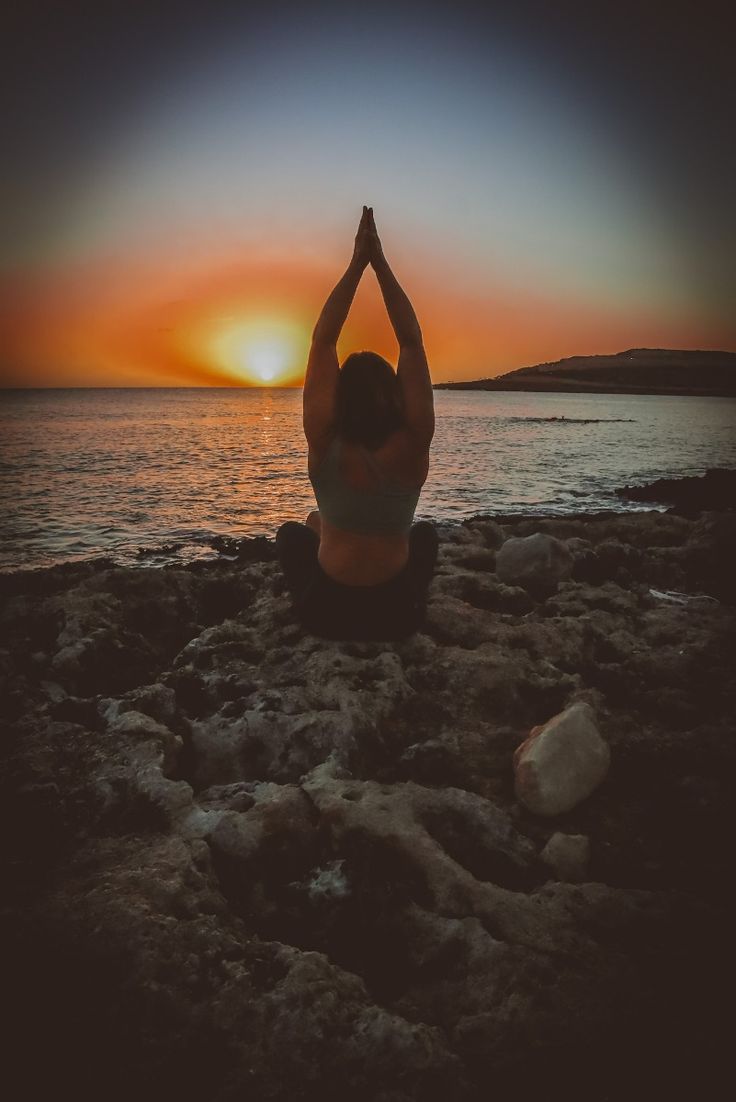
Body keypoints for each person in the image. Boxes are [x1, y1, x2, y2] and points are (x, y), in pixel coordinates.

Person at [275, 206, 438, 640]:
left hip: (326, 614)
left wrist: (355, 265)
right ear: (395, 394)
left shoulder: (323, 441)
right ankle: (413, 599)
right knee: (424, 534)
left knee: (294, 533)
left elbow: (323, 340)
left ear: (341, 397)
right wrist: (379, 263)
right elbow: (411, 341)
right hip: (399, 615)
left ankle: (308, 597)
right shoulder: (414, 441)